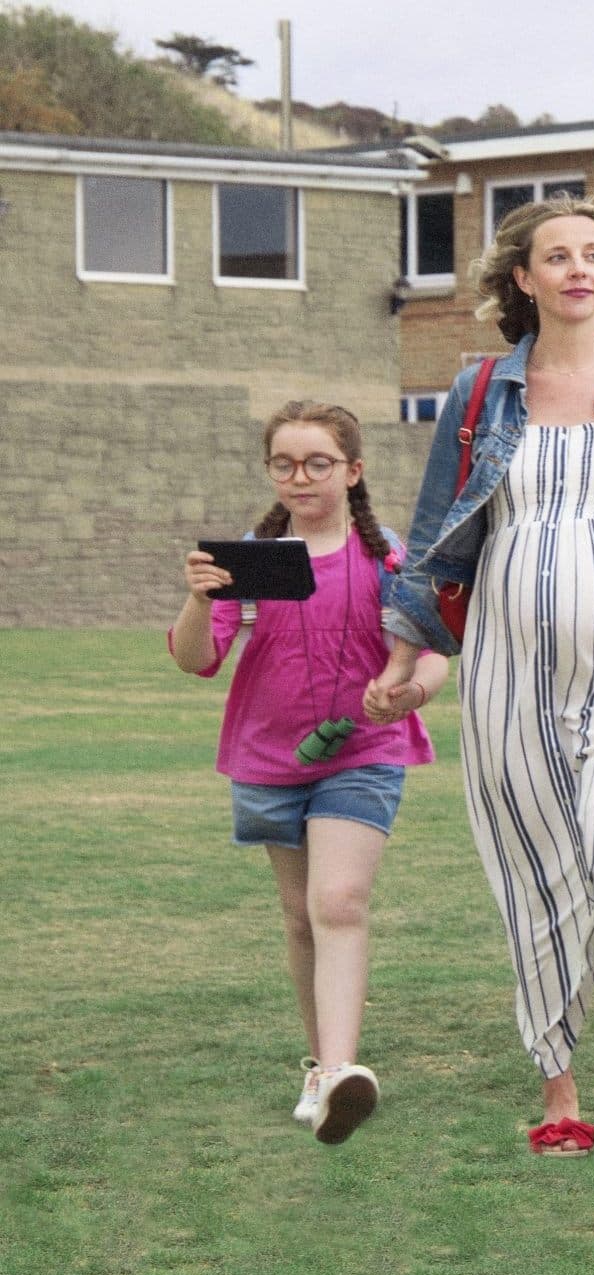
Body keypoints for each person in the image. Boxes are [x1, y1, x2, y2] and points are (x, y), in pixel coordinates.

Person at [371, 196, 594, 1161]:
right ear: (521, 279)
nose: (580, 269)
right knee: (533, 877)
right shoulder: (481, 392)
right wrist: (405, 656)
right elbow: (442, 530)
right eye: (557, 257)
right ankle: (560, 1085)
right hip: (506, 672)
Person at [170, 401, 445, 1145]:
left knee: (340, 901)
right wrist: (199, 596)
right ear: (271, 472)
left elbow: (435, 647)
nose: (301, 477)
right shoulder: (251, 560)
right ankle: (320, 1062)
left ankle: (339, 1073)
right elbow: (197, 659)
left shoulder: (389, 556)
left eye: (318, 463)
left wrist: (410, 693)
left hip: (363, 753)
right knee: (301, 918)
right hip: (268, 758)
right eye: (285, 464)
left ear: (353, 472)